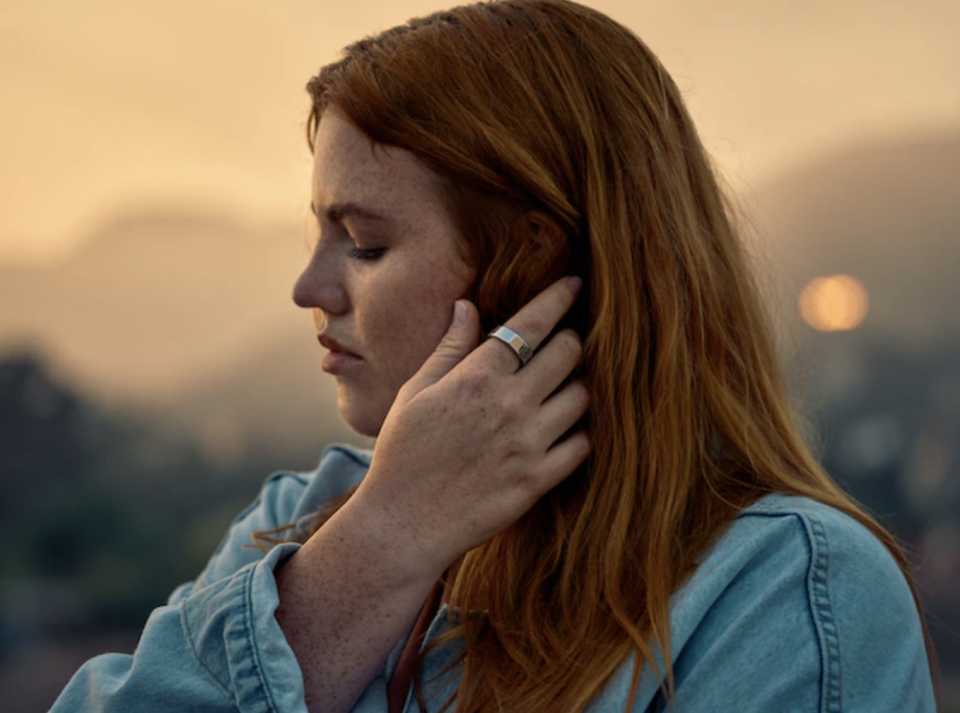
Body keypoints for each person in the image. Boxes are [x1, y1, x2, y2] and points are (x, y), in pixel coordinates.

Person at [52, 1, 938, 711]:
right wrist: (382, 544)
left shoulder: (784, 588)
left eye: (362, 243)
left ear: (532, 265)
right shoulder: (303, 520)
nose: (308, 289)